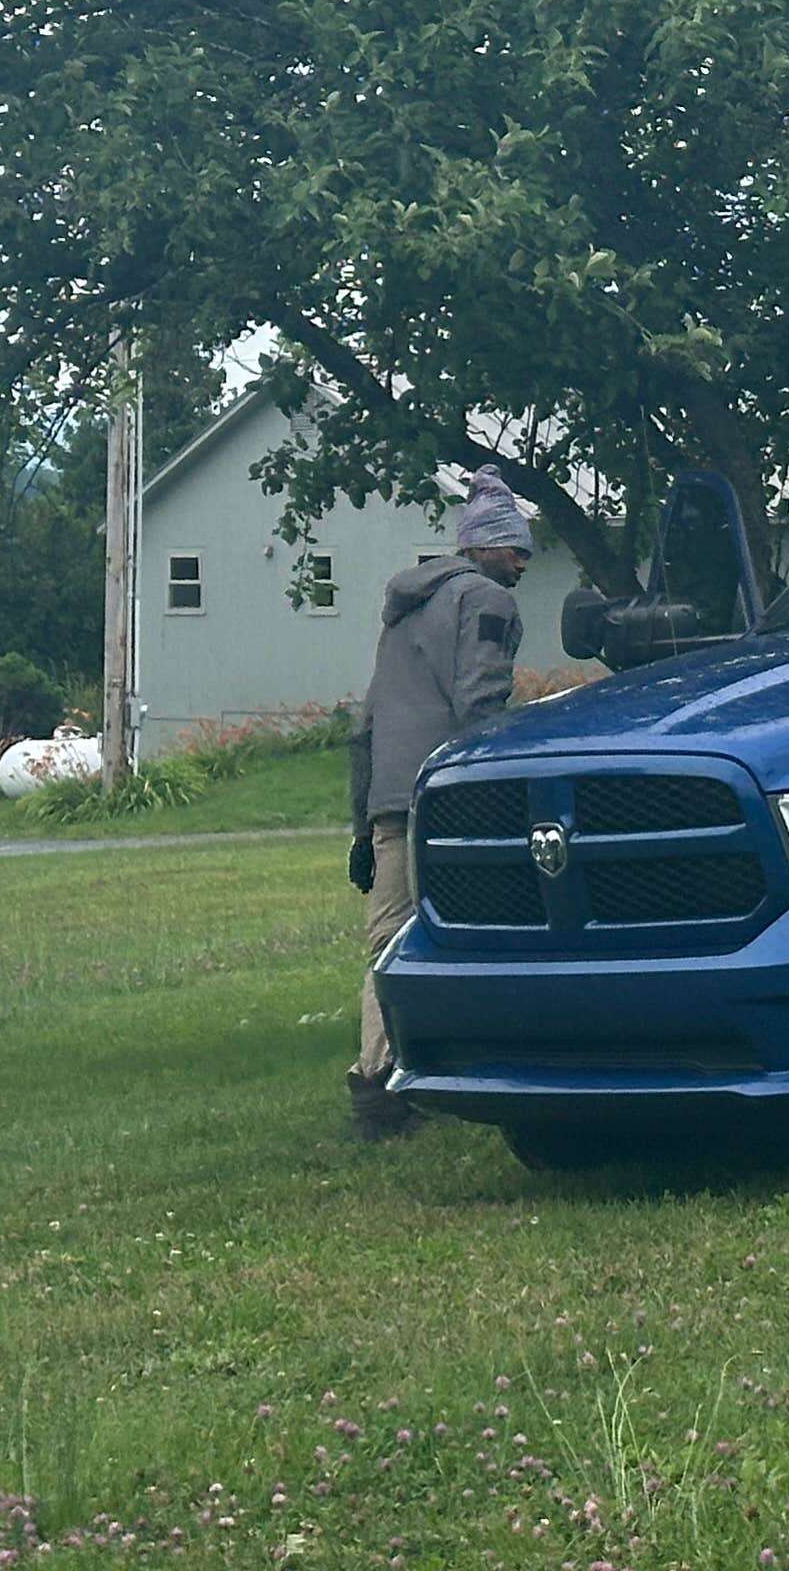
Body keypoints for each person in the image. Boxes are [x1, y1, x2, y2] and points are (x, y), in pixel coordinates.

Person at [345, 467, 529, 1138]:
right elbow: (479, 702)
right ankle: (494, 1070)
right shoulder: (486, 603)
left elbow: (365, 723)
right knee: (473, 932)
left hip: (388, 797)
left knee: (390, 943)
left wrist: (362, 825)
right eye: (517, 550)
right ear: (489, 547)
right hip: (443, 795)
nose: (522, 565)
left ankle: (376, 1086)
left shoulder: (403, 611)